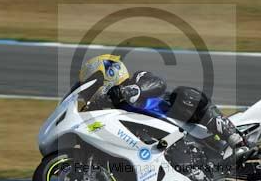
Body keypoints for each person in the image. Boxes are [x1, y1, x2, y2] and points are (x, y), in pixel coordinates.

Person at [77, 54, 247, 152]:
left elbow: (159, 83)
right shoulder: (104, 111)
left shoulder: (136, 78)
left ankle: (234, 138)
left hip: (183, 126)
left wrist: (130, 90)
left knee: (184, 94)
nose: (88, 93)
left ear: (108, 74)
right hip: (158, 148)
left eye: (91, 85)